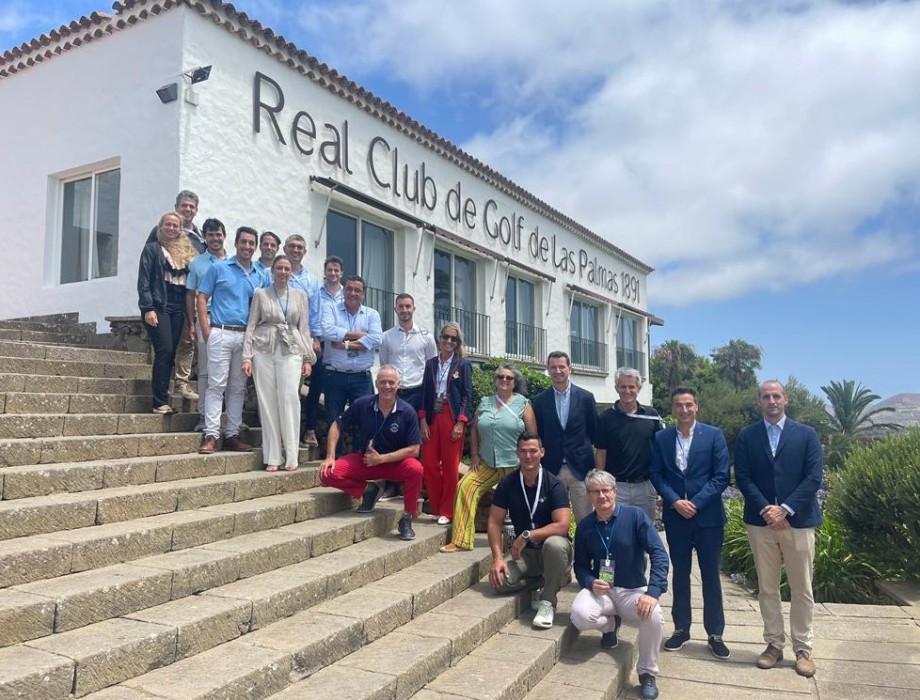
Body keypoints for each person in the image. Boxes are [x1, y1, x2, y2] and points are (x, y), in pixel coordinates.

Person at [735, 380, 823, 678]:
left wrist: (784, 509)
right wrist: (767, 510)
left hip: (798, 522)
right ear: (758, 401)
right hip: (760, 523)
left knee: (802, 588)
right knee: (768, 587)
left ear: (786, 399)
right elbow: (743, 478)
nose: (771, 401)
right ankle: (773, 645)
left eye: (776, 396)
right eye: (765, 396)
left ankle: (803, 649)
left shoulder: (807, 435)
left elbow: (813, 478)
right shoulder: (748, 436)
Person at [570, 470, 667, 700]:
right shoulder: (585, 526)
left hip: (631, 591)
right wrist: (590, 581)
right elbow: (580, 565)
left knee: (654, 616)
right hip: (602, 591)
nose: (601, 495)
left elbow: (659, 554)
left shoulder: (635, 516)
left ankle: (647, 673)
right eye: (595, 491)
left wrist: (653, 592)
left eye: (606, 490)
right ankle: (609, 627)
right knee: (579, 615)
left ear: (615, 492)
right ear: (589, 495)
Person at [650, 387, 730, 659]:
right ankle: (681, 629)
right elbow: (656, 474)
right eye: (678, 405)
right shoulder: (662, 438)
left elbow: (721, 476)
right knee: (680, 574)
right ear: (672, 409)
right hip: (676, 518)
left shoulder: (714, 435)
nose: (683, 410)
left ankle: (715, 633)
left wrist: (695, 502)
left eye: (688, 405)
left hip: (707, 518)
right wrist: (674, 501)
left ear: (696, 406)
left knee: (710, 576)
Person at [440, 364, 537, 553]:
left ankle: (528, 540)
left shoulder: (523, 404)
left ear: (514, 382)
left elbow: (532, 435)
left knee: (525, 498)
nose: (504, 381)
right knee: (465, 487)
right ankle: (460, 541)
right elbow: (475, 430)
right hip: (487, 463)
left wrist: (529, 462)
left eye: (509, 378)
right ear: (495, 380)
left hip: (515, 464)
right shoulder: (485, 402)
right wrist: (474, 455)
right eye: (500, 377)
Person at [318, 365, 423, 541]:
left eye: (391, 382)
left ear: (398, 385)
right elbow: (337, 425)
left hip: (393, 463)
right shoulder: (363, 404)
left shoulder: (407, 412)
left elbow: (414, 450)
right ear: (376, 384)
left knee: (416, 469)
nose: (387, 386)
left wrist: (382, 459)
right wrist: (330, 456)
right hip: (367, 461)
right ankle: (368, 491)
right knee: (326, 472)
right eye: (383, 382)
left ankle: (407, 518)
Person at [487, 432, 573, 629]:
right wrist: (498, 558)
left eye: (533, 451)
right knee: (498, 581)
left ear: (542, 453)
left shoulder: (554, 484)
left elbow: (562, 525)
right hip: (526, 554)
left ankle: (548, 601)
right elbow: (493, 521)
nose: (528, 456)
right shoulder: (508, 484)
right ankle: (547, 580)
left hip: (552, 550)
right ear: (517, 453)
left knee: (555, 543)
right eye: (523, 451)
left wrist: (528, 535)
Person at [241, 255, 316, 472]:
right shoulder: (261, 294)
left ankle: (291, 454)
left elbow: (304, 328)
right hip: (263, 349)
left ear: (291, 272)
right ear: (272, 271)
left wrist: (307, 357)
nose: (283, 272)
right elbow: (251, 325)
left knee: (290, 399)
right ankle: (273, 454)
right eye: (279, 268)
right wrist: (247, 357)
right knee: (267, 402)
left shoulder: (300, 295)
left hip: (291, 349)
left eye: (286, 268)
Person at [195, 226, 263, 454]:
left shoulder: (259, 275)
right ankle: (211, 434)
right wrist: (206, 330)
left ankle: (232, 434)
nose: (247, 246)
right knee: (216, 385)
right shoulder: (218, 267)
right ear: (236, 243)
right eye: (244, 242)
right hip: (221, 331)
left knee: (238, 387)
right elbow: (202, 296)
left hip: (245, 336)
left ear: (255, 246)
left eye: (251, 243)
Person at [146, 190, 205, 400]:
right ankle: (161, 385)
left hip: (188, 296)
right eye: (184, 205)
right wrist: (149, 303)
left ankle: (181, 383)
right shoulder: (162, 232)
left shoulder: (199, 238)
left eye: (192, 207)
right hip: (164, 296)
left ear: (196, 211)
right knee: (165, 345)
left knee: (187, 341)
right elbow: (149, 265)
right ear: (176, 206)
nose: (188, 210)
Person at [137, 211, 198, 414]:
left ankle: (165, 398)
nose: (172, 229)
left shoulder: (186, 253)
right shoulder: (152, 250)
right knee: (164, 350)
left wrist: (191, 320)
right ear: (160, 227)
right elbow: (144, 281)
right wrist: (147, 308)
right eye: (168, 225)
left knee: (171, 352)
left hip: (178, 307)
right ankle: (159, 401)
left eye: (175, 226)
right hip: (159, 305)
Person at [418, 321, 473, 524]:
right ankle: (435, 505)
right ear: (439, 338)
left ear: (457, 342)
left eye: (453, 338)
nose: (448, 341)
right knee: (429, 464)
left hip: (451, 415)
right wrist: (422, 420)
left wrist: (461, 422)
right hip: (432, 415)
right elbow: (424, 393)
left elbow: (467, 395)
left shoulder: (463, 365)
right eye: (445, 337)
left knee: (450, 466)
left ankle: (447, 510)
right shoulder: (431, 363)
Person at [320, 274, 382, 455]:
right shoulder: (331, 308)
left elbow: (377, 338)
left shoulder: (372, 314)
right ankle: (336, 460)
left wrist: (345, 343)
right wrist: (361, 335)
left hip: (361, 377)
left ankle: (358, 460)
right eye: (349, 289)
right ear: (343, 290)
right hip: (335, 375)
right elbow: (328, 331)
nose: (352, 293)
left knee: (363, 420)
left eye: (357, 290)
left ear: (363, 294)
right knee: (334, 419)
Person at [532, 350, 597, 521]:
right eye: (553, 367)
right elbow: (538, 433)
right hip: (552, 468)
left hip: (580, 468)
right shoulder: (539, 400)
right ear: (548, 369)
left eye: (561, 366)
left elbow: (593, 432)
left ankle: (585, 548)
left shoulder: (585, 397)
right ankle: (559, 548)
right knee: (554, 518)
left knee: (585, 518)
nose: (557, 371)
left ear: (570, 368)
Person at [594, 367, 662, 522]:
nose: (627, 391)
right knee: (616, 533)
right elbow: (601, 452)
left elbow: (659, 451)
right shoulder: (605, 418)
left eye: (631, 386)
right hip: (617, 487)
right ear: (616, 388)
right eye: (623, 386)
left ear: (638, 388)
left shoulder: (652, 416)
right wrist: (600, 485)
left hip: (645, 486)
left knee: (645, 534)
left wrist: (659, 485)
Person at [185, 218, 227, 431]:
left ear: (224, 235)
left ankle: (225, 416)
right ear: (205, 237)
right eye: (210, 235)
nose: (215, 238)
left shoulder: (234, 262)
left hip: (230, 322)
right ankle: (204, 415)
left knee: (228, 371)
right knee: (205, 370)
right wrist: (192, 324)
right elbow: (191, 294)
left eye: (218, 234)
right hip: (206, 318)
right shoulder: (196, 263)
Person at [300, 255, 344, 448]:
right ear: (325, 272)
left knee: (336, 390)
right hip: (321, 345)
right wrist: (315, 339)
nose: (333, 273)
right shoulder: (317, 293)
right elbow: (312, 317)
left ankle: (335, 434)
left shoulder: (347, 294)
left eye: (336, 270)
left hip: (342, 347)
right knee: (315, 388)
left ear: (341, 273)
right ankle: (310, 429)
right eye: (329, 270)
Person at [380, 293, 437, 411]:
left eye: (408, 306)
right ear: (395, 309)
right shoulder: (386, 337)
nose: (404, 310)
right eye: (401, 306)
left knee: (415, 429)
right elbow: (384, 365)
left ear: (413, 309)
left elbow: (432, 367)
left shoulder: (427, 337)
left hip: (418, 394)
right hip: (394, 393)